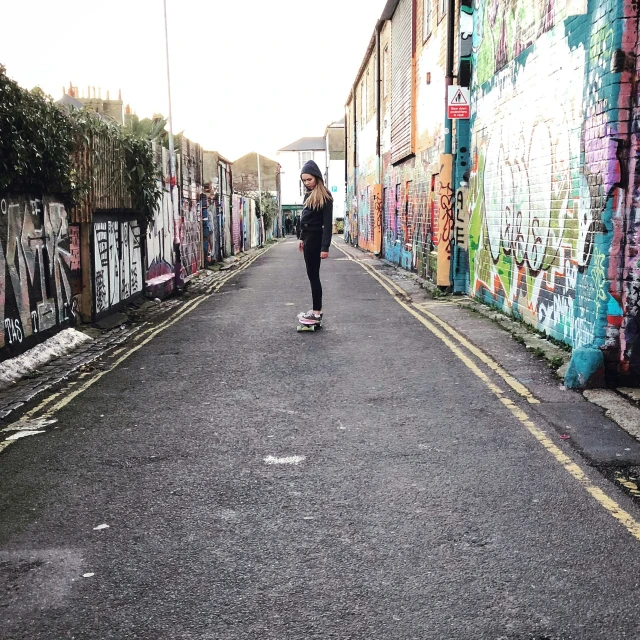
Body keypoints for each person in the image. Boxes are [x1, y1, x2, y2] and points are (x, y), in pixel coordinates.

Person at [298, 160, 333, 324]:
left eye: (309, 179)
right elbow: (305, 218)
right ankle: (315, 310)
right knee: (311, 275)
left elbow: (327, 224)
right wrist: (301, 237)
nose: (307, 183)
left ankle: (316, 312)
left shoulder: (325, 196)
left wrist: (324, 247)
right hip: (307, 238)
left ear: (317, 177)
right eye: (304, 180)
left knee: (313, 276)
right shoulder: (308, 195)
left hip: (316, 239)